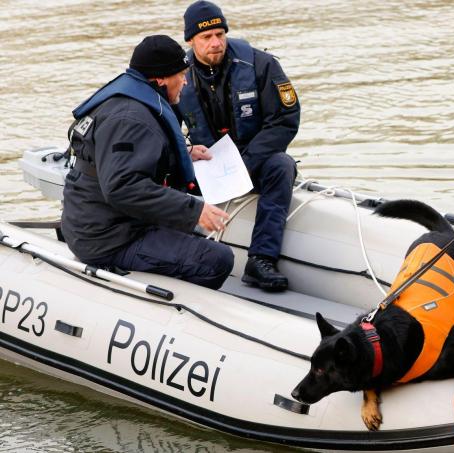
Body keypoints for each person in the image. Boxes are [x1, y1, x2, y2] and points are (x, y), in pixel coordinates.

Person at [61, 35, 234, 290]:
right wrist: (193, 210)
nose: (185, 81)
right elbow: (122, 186)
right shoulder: (131, 119)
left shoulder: (129, 102)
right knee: (216, 260)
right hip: (109, 238)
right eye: (181, 74)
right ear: (161, 79)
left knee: (195, 236)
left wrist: (184, 153)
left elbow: (124, 158)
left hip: (106, 221)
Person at [176, 1, 300, 292]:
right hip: (206, 163)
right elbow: (161, 129)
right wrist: (184, 153)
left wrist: (245, 163)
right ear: (191, 40)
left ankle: (261, 259)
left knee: (283, 165)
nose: (216, 43)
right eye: (206, 37)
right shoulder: (179, 76)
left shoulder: (261, 65)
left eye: (220, 34)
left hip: (253, 159)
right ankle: (178, 250)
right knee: (169, 170)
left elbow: (284, 119)